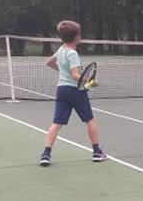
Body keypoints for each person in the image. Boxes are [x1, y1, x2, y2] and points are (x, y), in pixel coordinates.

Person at [38, 20, 106, 166]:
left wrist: (63, 72)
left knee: (56, 123)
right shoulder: (72, 53)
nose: (80, 36)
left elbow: (49, 62)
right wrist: (91, 81)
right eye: (79, 34)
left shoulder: (61, 50)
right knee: (90, 120)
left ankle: (46, 154)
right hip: (75, 91)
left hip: (61, 90)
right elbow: (76, 76)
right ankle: (97, 152)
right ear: (76, 37)